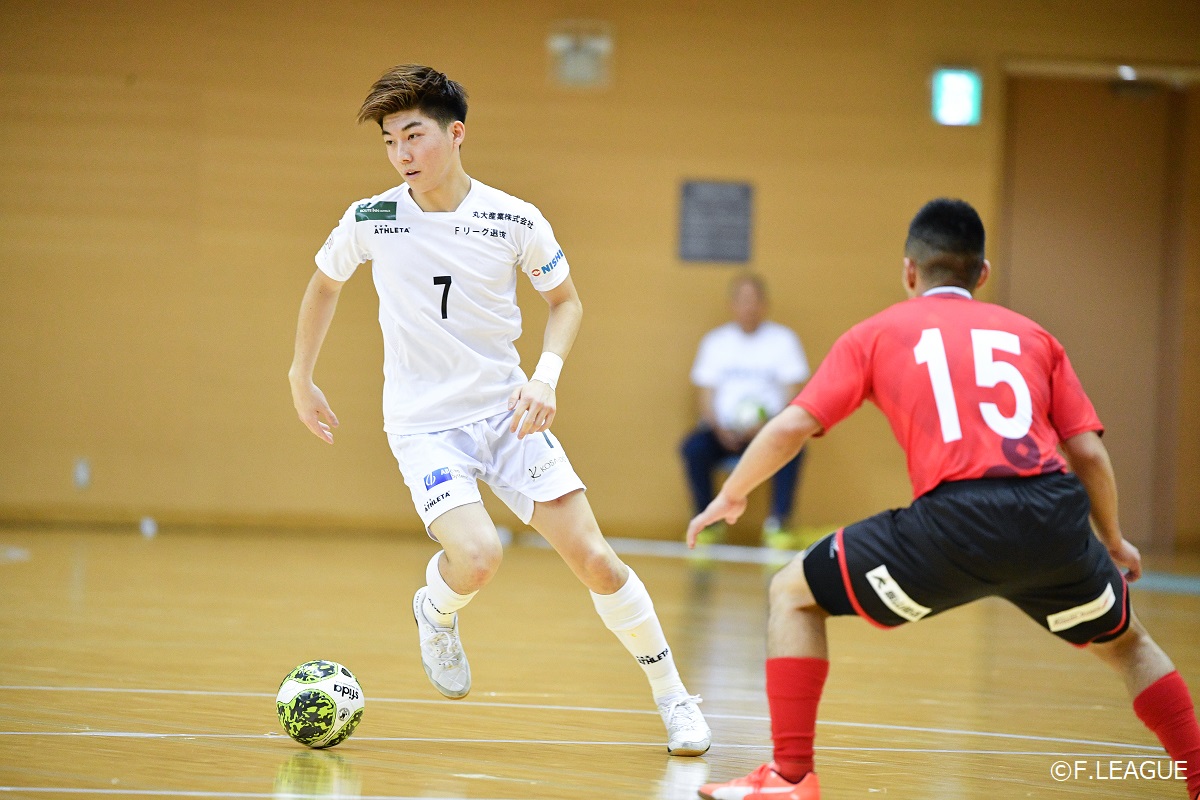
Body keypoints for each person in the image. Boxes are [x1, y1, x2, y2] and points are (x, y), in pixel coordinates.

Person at [687, 199, 1200, 799]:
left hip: (956, 523)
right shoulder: (1034, 336)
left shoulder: (877, 333)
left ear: (910, 271)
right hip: (1053, 519)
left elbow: (790, 427)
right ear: (981, 273)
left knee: (793, 594)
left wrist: (733, 495)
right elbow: (1087, 454)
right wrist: (1111, 539)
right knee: (1130, 644)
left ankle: (790, 777)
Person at [288, 64, 710, 756]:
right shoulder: (371, 218)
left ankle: (675, 702)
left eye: (414, 136)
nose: (401, 155)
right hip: (425, 428)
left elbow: (566, 302)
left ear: (455, 135)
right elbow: (324, 285)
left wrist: (545, 378)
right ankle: (437, 607)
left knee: (598, 562)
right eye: (390, 141)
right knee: (479, 557)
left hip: (508, 414)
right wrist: (300, 376)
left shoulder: (514, 218)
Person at [681, 274, 810, 543]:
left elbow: (793, 395)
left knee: (795, 446)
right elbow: (705, 394)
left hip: (769, 434)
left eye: (754, 301)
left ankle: (778, 524)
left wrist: (766, 428)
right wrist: (719, 428)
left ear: (764, 304)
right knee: (693, 448)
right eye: (743, 301)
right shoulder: (715, 342)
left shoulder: (783, 340)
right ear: (732, 304)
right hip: (722, 433)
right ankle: (708, 522)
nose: (749, 307)